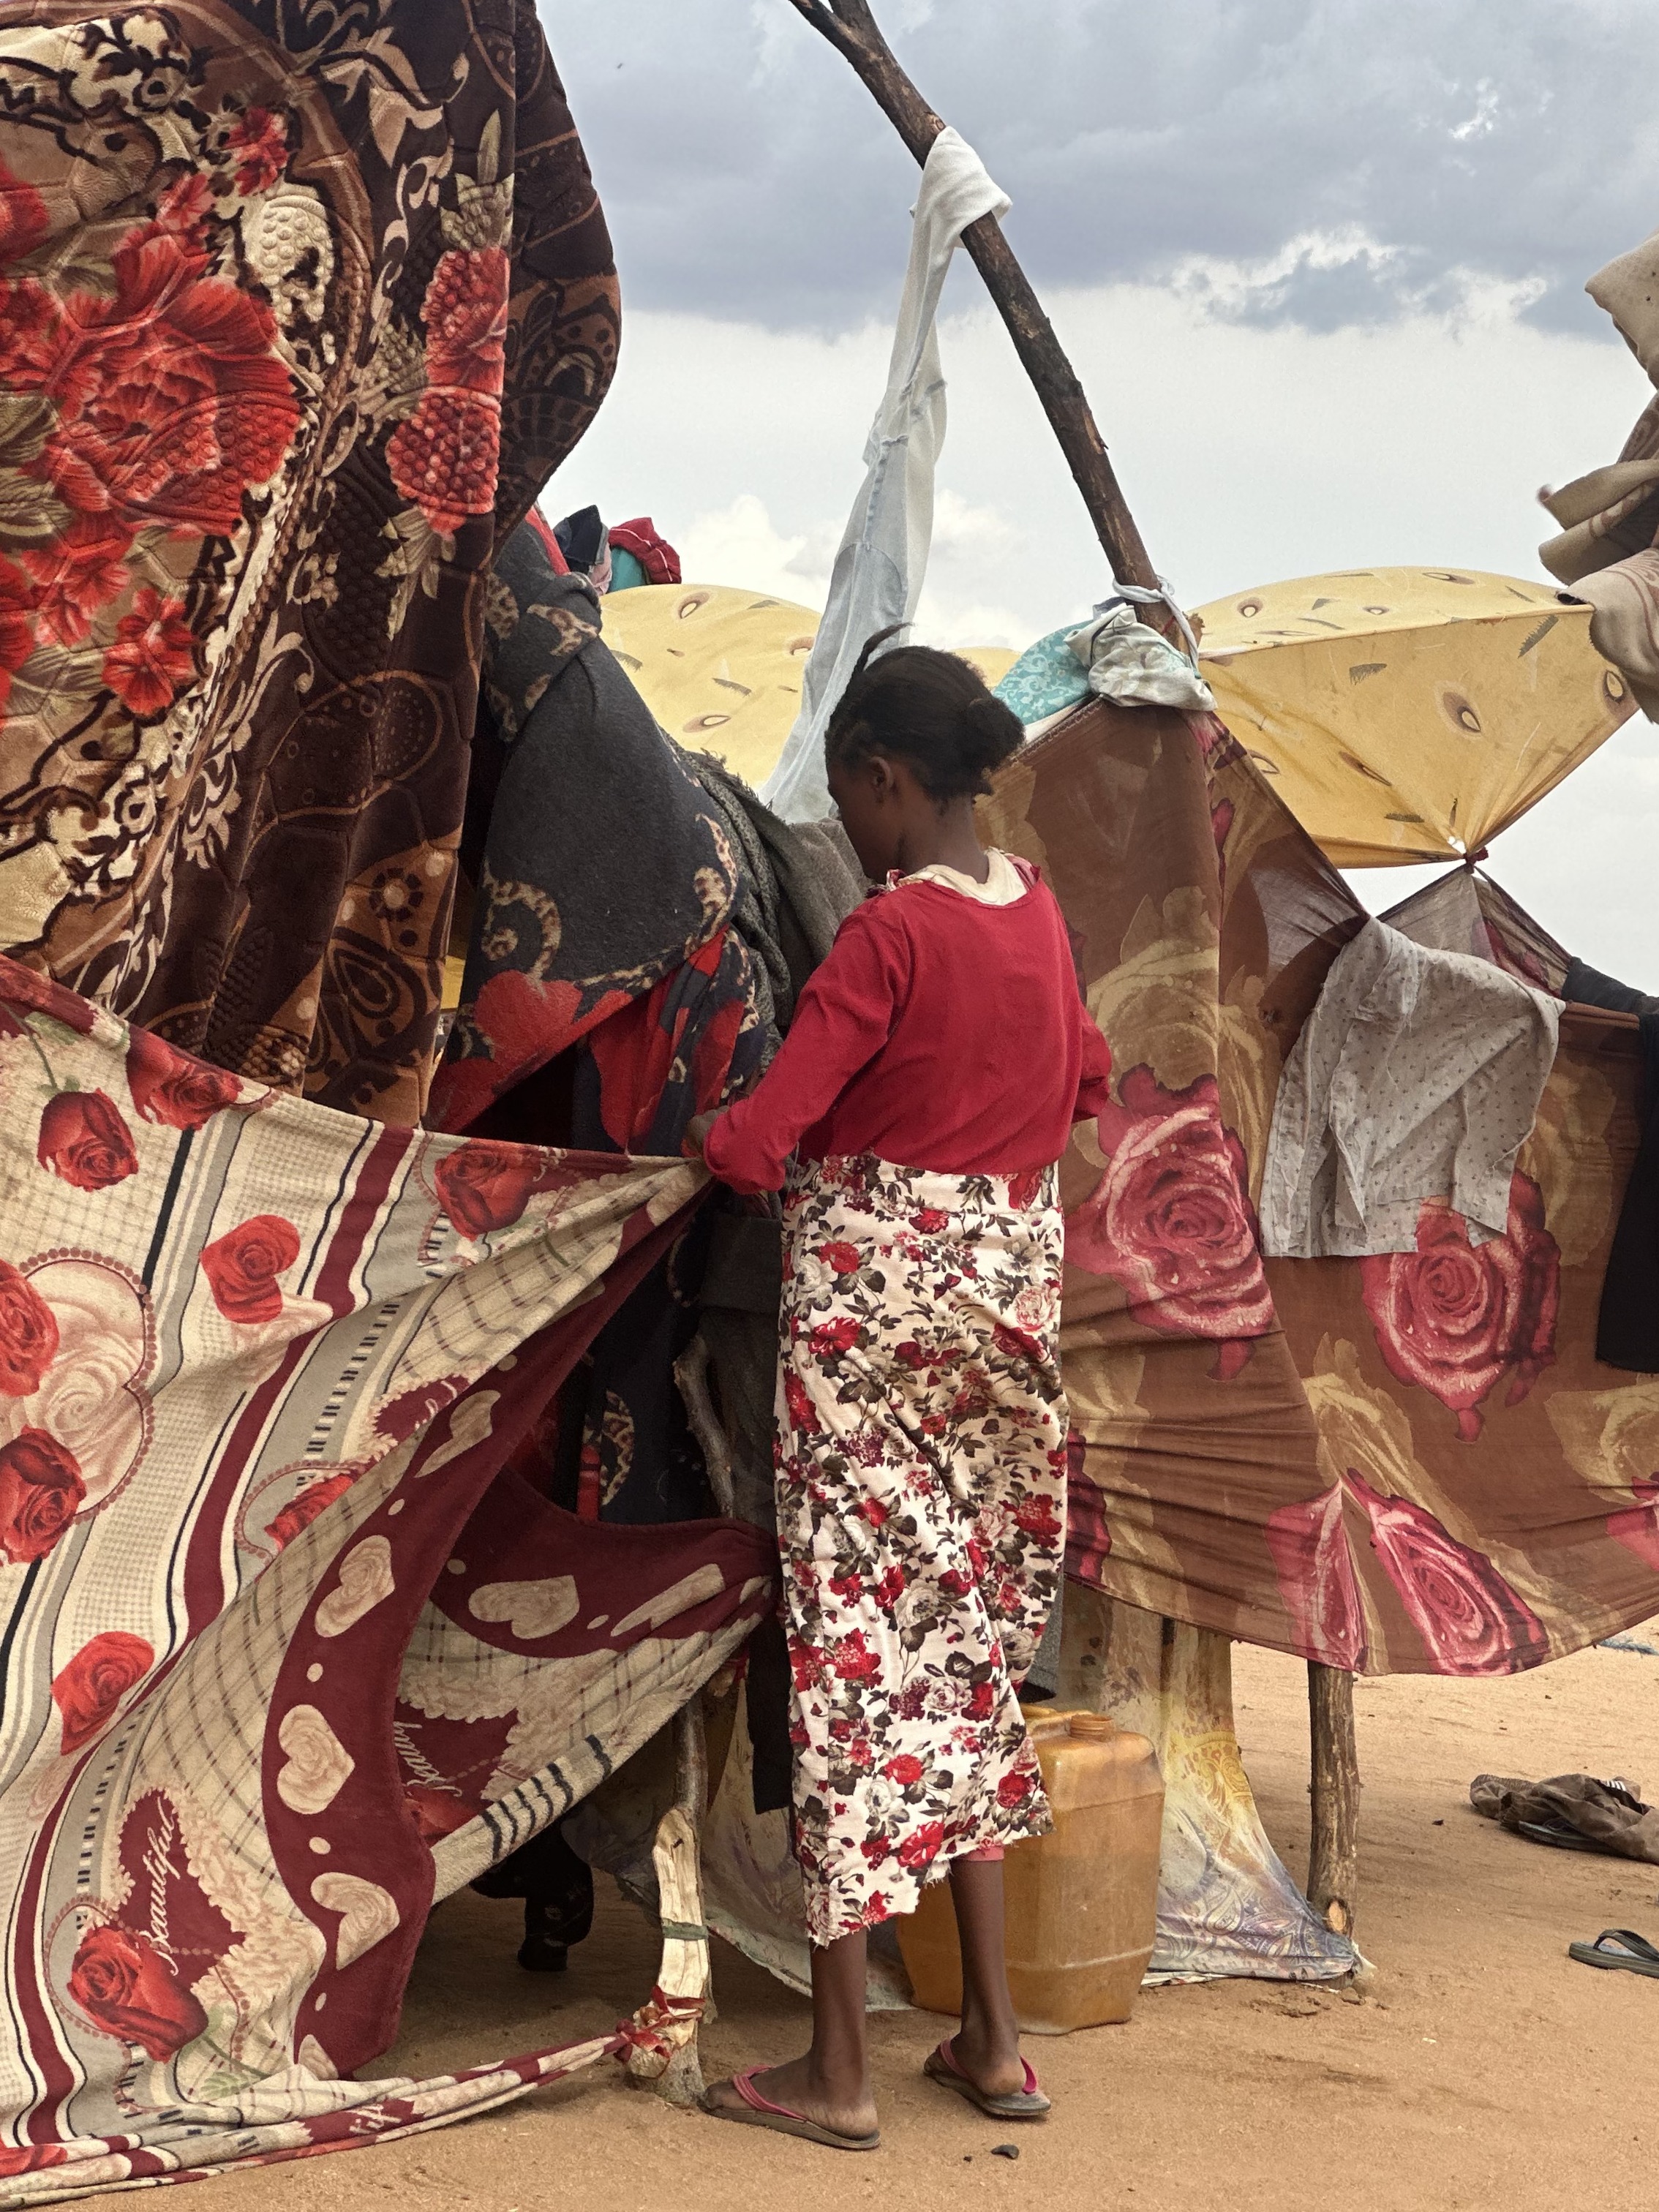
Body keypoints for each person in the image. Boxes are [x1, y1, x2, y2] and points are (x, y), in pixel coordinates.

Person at [688, 629, 1113, 2151]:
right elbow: (1086, 1080)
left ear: (882, 778)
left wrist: (716, 1142)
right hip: (1009, 1321)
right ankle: (991, 2041)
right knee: (971, 1658)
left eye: (846, 798)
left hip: (875, 1337)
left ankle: (839, 2071)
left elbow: (761, 1141)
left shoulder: (887, 936)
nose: (846, 832)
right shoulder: (1039, 915)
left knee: (855, 1666)